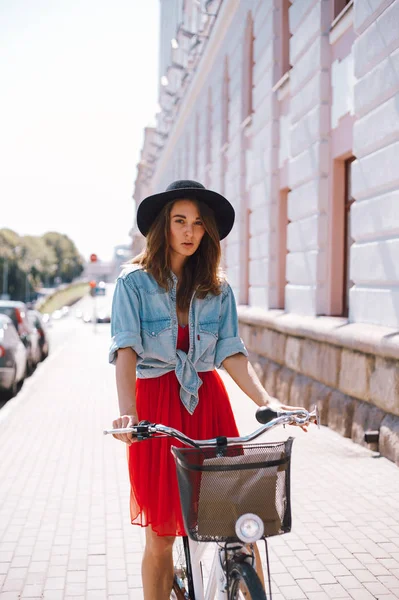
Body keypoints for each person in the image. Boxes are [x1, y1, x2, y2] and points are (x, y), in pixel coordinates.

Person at [109, 180, 297, 600]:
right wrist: (128, 414)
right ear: (164, 226)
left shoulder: (218, 287)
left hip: (208, 404)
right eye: (180, 221)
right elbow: (125, 350)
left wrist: (267, 402)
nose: (190, 231)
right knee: (160, 535)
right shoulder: (133, 283)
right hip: (155, 406)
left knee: (238, 522)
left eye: (197, 223)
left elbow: (231, 352)